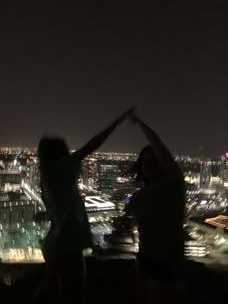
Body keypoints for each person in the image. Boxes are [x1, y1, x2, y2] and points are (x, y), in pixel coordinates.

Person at [36, 108, 133, 303]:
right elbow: (92, 145)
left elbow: (55, 212)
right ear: (60, 153)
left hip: (54, 245)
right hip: (68, 246)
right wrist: (118, 121)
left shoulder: (47, 177)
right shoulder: (64, 168)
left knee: (55, 292)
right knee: (75, 295)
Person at [125, 113, 186, 304]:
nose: (148, 166)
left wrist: (140, 123)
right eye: (145, 162)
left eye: (154, 161)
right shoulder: (141, 194)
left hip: (167, 263)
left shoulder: (173, 186)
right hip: (144, 259)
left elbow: (160, 147)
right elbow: (130, 216)